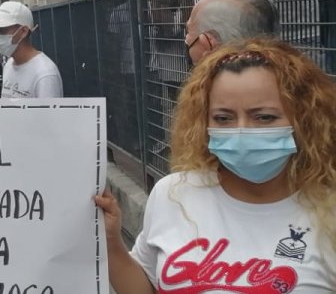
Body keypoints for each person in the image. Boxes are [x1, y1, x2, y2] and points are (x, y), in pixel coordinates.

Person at [94, 38, 336, 292]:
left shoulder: (328, 211)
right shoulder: (173, 194)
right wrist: (111, 243)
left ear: (304, 120)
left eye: (264, 117)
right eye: (223, 118)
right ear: (203, 122)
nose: (241, 131)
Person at [185, 0, 279, 67]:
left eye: (188, 30)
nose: (186, 39)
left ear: (209, 42)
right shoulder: (283, 80)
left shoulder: (212, 84)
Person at [0, 2, 63, 99]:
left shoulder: (45, 74)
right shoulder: (9, 64)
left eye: (1, 30)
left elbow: (49, 114)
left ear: (23, 31)